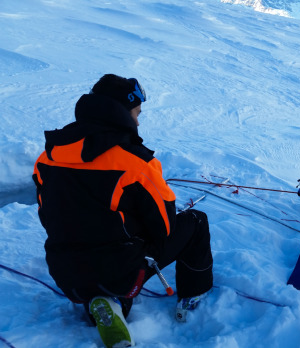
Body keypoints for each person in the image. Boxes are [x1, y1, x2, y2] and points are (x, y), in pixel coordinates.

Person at [32, 74, 214, 347]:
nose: (138, 121)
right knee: (196, 222)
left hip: (66, 273)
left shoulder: (48, 156)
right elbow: (165, 228)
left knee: (105, 247)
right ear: (120, 111)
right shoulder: (136, 161)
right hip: (119, 270)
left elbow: (49, 216)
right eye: (136, 113)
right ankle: (193, 293)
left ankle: (105, 302)